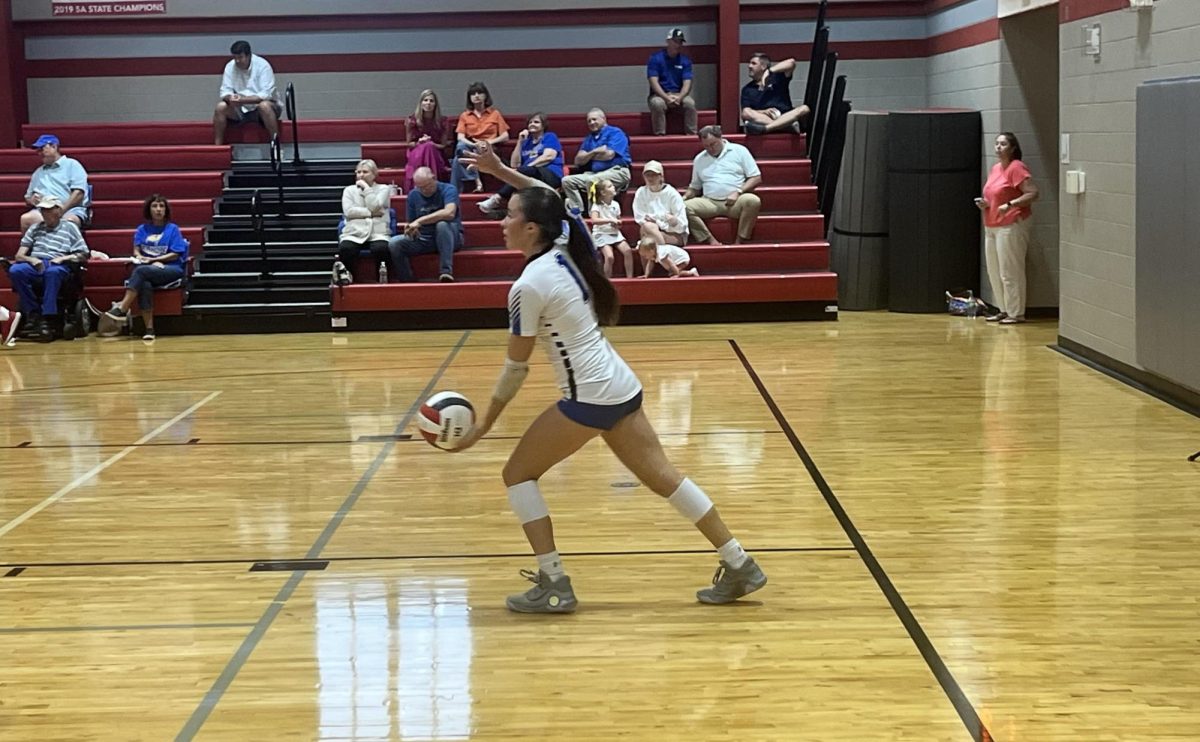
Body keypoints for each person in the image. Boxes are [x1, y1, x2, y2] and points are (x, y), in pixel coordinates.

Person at [456, 140, 768, 614]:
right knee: (666, 478)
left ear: (531, 227)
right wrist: (502, 171)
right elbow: (548, 195)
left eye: (508, 213)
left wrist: (484, 426)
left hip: (590, 397)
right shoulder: (563, 246)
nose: (501, 221)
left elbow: (515, 368)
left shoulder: (528, 285)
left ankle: (554, 582)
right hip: (619, 383)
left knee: (517, 474)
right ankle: (740, 562)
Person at [103, 195, 189, 341]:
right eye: (155, 206)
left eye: (161, 206)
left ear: (166, 210)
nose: (158, 210)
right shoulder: (142, 229)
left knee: (141, 271)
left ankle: (122, 307)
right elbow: (136, 250)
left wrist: (154, 260)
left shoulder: (173, 229)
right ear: (149, 210)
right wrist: (142, 258)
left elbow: (175, 254)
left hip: (172, 269)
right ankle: (149, 329)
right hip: (149, 269)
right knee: (145, 284)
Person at [6, 196, 90, 342]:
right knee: (15, 270)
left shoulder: (70, 227)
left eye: (49, 210)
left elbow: (84, 253)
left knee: (52, 272)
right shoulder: (35, 228)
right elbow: (19, 255)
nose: (45, 213)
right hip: (36, 262)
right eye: (43, 210)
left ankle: (48, 316)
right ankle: (33, 312)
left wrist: (63, 258)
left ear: (58, 210)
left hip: (58, 264)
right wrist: (32, 259)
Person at [977, 132, 1039, 325]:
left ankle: (1016, 312)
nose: (998, 147)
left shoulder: (1016, 167)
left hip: (1011, 223)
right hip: (992, 223)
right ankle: (1003, 309)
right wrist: (986, 204)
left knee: (1010, 270)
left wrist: (1011, 204)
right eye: (996, 144)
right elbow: (996, 195)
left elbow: (1033, 193)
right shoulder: (995, 168)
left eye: (1003, 144)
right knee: (994, 270)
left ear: (1012, 148)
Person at [684, 126, 762, 245]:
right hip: (709, 201)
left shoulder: (739, 150)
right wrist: (683, 198)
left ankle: (740, 240)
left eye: (713, 144)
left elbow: (756, 177)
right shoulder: (699, 159)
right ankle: (710, 239)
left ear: (721, 138)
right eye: (706, 146)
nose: (710, 148)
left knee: (753, 201)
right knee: (684, 207)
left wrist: (739, 191)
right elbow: (695, 186)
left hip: (735, 201)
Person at [478, 112, 562, 218]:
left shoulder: (549, 136)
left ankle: (497, 199)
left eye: (536, 122)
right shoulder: (526, 142)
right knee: (507, 167)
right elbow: (514, 163)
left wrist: (526, 168)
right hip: (528, 175)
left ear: (543, 125)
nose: (532, 124)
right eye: (530, 122)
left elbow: (548, 156)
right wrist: (520, 142)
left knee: (521, 172)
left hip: (550, 174)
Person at [388, 166, 462, 283]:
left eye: (427, 186)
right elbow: (411, 222)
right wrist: (411, 230)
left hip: (449, 236)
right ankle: (407, 280)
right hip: (425, 238)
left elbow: (449, 213)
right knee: (394, 243)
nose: (424, 190)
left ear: (434, 178)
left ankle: (446, 272)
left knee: (441, 225)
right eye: (420, 188)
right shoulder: (413, 195)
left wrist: (420, 221)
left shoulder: (448, 189)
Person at [334, 159, 395, 283]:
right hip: (354, 232)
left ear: (374, 174)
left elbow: (374, 205)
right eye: (358, 172)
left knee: (380, 249)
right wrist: (372, 214)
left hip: (378, 232)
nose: (361, 175)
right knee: (346, 248)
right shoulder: (349, 190)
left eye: (365, 172)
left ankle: (382, 279)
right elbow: (349, 212)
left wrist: (367, 188)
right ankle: (349, 278)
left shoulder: (383, 189)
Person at [561, 108, 632, 213]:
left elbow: (609, 155)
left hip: (618, 171)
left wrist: (588, 156)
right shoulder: (589, 138)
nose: (591, 123)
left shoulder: (616, 133)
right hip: (596, 173)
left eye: (594, 119)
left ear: (603, 119)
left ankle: (593, 214)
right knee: (567, 181)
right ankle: (577, 212)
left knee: (593, 180)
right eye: (589, 121)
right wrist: (595, 152)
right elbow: (578, 161)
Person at [213, 40, 281, 146]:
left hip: (264, 106)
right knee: (220, 107)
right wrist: (230, 98)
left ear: (249, 55)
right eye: (235, 58)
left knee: (264, 106)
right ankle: (218, 147)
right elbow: (224, 91)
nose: (237, 61)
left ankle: (276, 146)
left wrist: (242, 100)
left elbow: (265, 95)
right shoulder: (230, 66)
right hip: (241, 108)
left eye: (240, 57)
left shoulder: (263, 65)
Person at [21, 134, 90, 232]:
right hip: (44, 211)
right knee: (26, 219)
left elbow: (79, 193)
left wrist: (61, 211)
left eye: (42, 148)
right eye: (38, 150)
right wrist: (32, 200)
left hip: (69, 209)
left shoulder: (72, 164)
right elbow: (28, 197)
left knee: (68, 221)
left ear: (54, 146)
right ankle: (34, 247)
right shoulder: (38, 172)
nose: (39, 153)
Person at [451, 82, 509, 195]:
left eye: (479, 93)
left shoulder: (495, 114)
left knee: (456, 161)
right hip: (471, 145)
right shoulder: (465, 116)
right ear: (470, 98)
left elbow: (505, 136)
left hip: (488, 147)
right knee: (461, 146)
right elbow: (460, 137)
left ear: (485, 96)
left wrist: (489, 141)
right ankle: (477, 180)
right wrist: (473, 144)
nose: (476, 96)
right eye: (473, 94)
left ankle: (455, 193)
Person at [740, 52, 810, 136]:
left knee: (804, 109)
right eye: (749, 63)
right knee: (746, 112)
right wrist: (764, 112)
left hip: (786, 116)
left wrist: (769, 72)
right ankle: (785, 127)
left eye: (753, 63)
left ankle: (768, 128)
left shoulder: (777, 78)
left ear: (763, 66)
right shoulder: (747, 89)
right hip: (766, 118)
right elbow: (746, 112)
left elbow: (791, 62)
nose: (749, 66)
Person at [647, 28, 698, 136]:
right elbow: (653, 81)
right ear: (668, 41)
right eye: (675, 41)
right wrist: (666, 97)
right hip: (659, 95)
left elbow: (687, 82)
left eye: (680, 42)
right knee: (657, 104)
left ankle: (692, 135)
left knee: (690, 103)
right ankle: (660, 135)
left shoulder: (685, 61)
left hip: (678, 95)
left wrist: (679, 97)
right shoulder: (655, 59)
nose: (678, 45)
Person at [632, 160, 688, 248]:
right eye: (647, 175)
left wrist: (658, 223)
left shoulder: (672, 193)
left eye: (654, 175)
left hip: (675, 234)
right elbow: (640, 218)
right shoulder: (641, 192)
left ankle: (660, 254)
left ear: (661, 176)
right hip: (651, 230)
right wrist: (658, 224)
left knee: (647, 238)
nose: (650, 178)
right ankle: (660, 256)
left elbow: (681, 226)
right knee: (646, 229)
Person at [404, 89, 453, 192]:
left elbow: (443, 145)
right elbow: (409, 144)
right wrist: (420, 142)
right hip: (416, 151)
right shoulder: (412, 120)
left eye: (431, 101)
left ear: (435, 104)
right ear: (421, 103)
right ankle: (432, 183)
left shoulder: (443, 121)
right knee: (426, 147)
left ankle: (424, 185)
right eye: (425, 100)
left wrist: (431, 143)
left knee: (429, 147)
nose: (428, 103)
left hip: (436, 152)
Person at [589, 178, 633, 278]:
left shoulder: (616, 204)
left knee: (627, 251)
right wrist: (609, 220)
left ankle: (630, 277)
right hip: (601, 233)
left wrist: (617, 224)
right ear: (603, 193)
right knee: (609, 257)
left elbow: (618, 220)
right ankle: (607, 280)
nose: (613, 187)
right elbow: (594, 220)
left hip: (614, 233)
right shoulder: (596, 206)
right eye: (610, 186)